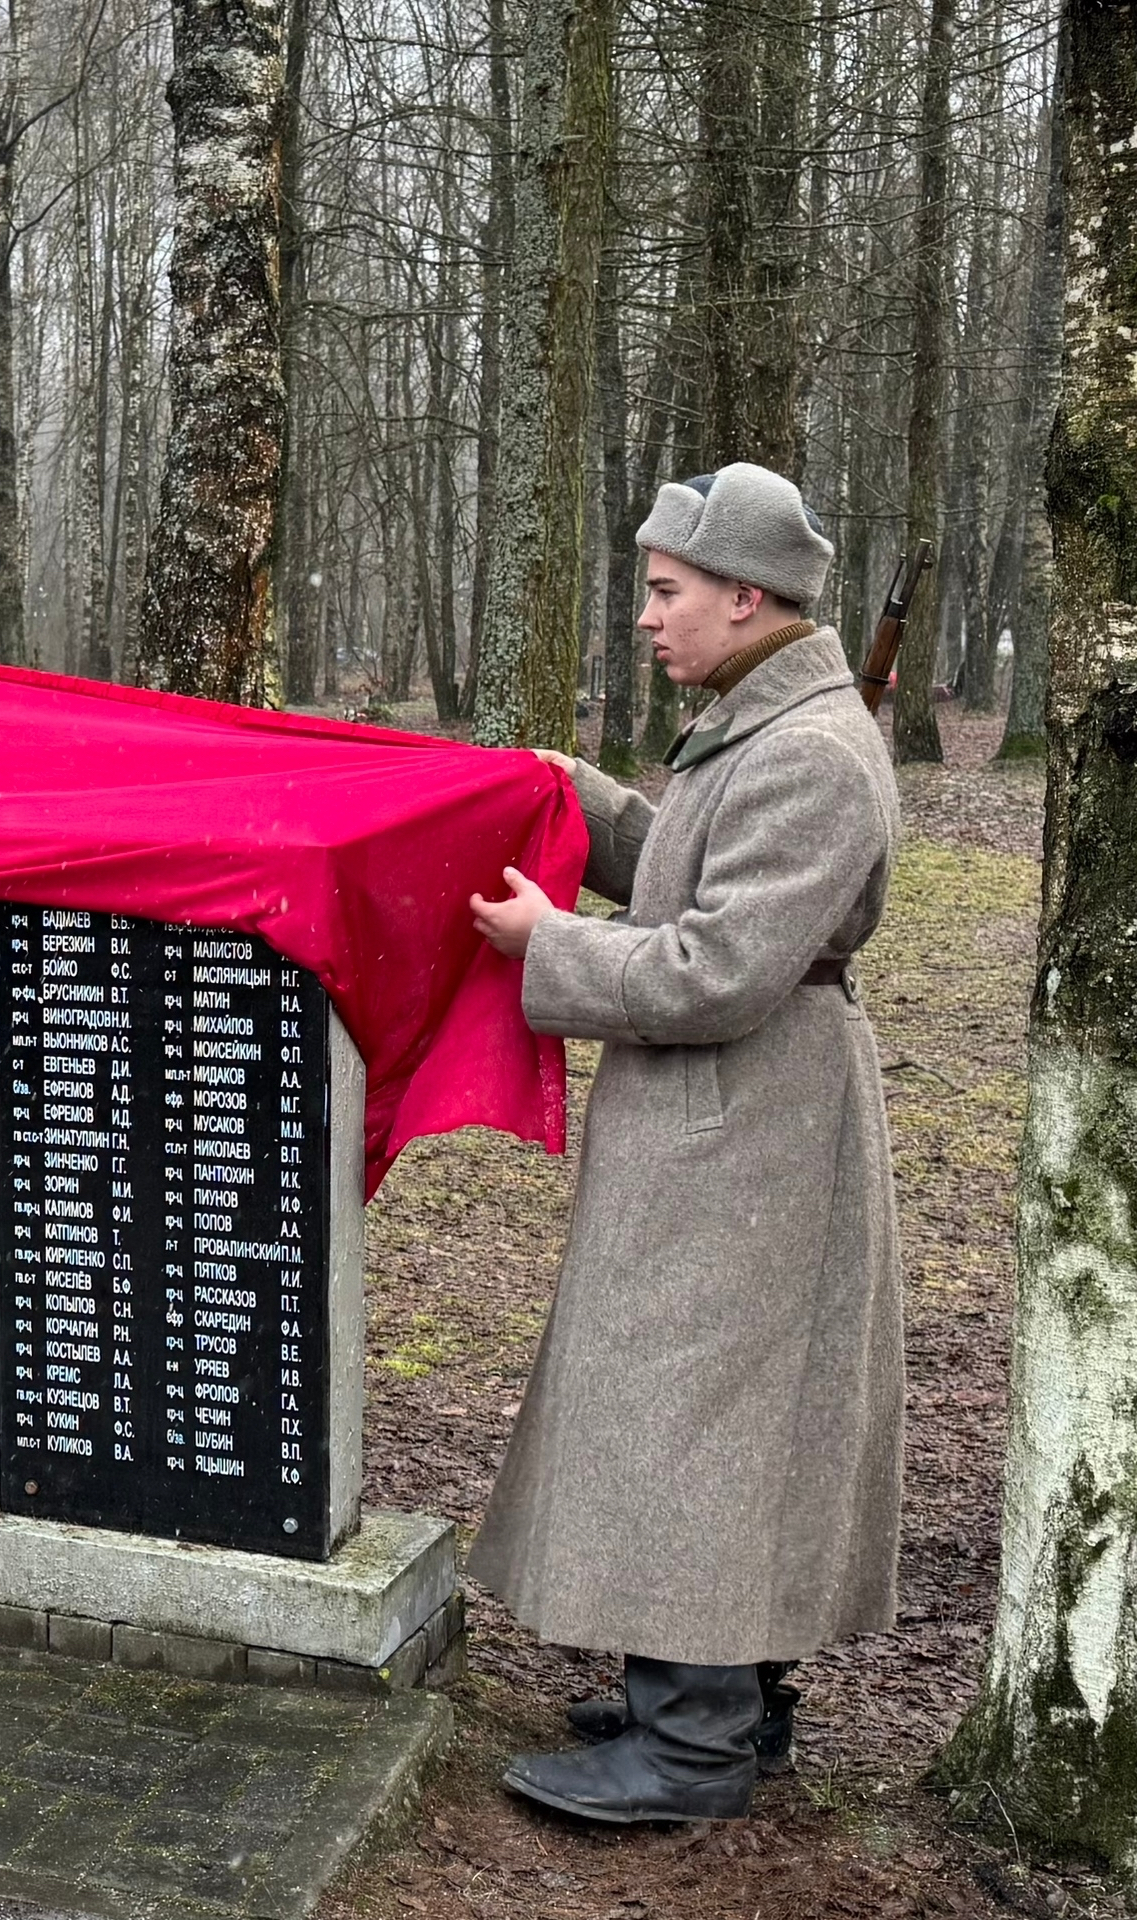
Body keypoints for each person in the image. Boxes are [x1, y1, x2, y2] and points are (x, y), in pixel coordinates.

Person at [464, 462, 902, 1824]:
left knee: (701, 1420)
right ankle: (713, 1706)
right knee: (706, 1414)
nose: (648, 617)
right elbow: (694, 866)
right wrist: (575, 799)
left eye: (667, 592)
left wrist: (551, 946)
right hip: (730, 1122)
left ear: (746, 595)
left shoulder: (813, 751)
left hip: (752, 1128)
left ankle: (694, 1746)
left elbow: (717, 967)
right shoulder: (766, 722)